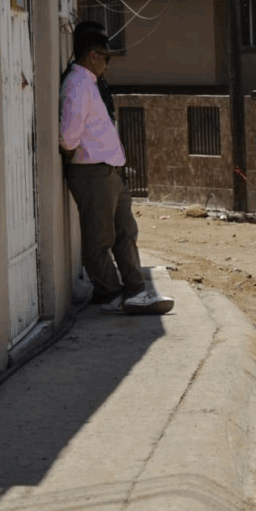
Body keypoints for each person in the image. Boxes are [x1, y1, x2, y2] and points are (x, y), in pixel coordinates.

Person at [60, 30, 173, 315]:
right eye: (105, 58)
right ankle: (110, 293)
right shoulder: (77, 84)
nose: (108, 64)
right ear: (93, 55)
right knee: (100, 238)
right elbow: (69, 134)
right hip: (92, 172)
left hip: (108, 172)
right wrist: (73, 153)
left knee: (125, 232)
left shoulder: (89, 83)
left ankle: (135, 291)